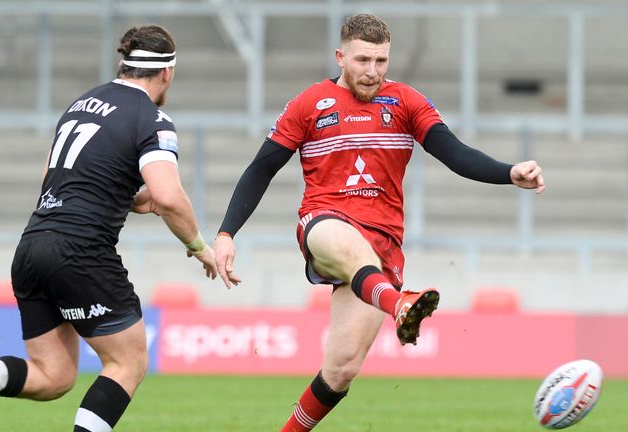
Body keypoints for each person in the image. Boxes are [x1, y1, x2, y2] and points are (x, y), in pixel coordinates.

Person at [213, 13, 545, 432]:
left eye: (381, 61)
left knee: (341, 370)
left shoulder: (406, 102)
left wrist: (509, 171)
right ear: (340, 56)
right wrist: (226, 232)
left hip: (382, 245)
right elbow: (261, 169)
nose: (372, 72)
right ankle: (398, 303)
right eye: (362, 60)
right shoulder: (309, 103)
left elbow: (454, 153)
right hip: (324, 222)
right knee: (347, 243)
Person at [0, 24, 218, 432]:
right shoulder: (152, 117)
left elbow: (55, 175)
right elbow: (168, 196)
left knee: (53, 376)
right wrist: (198, 245)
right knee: (128, 361)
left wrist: (121, 195)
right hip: (81, 250)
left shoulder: (82, 103)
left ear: (124, 64)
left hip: (33, 247)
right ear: (167, 73)